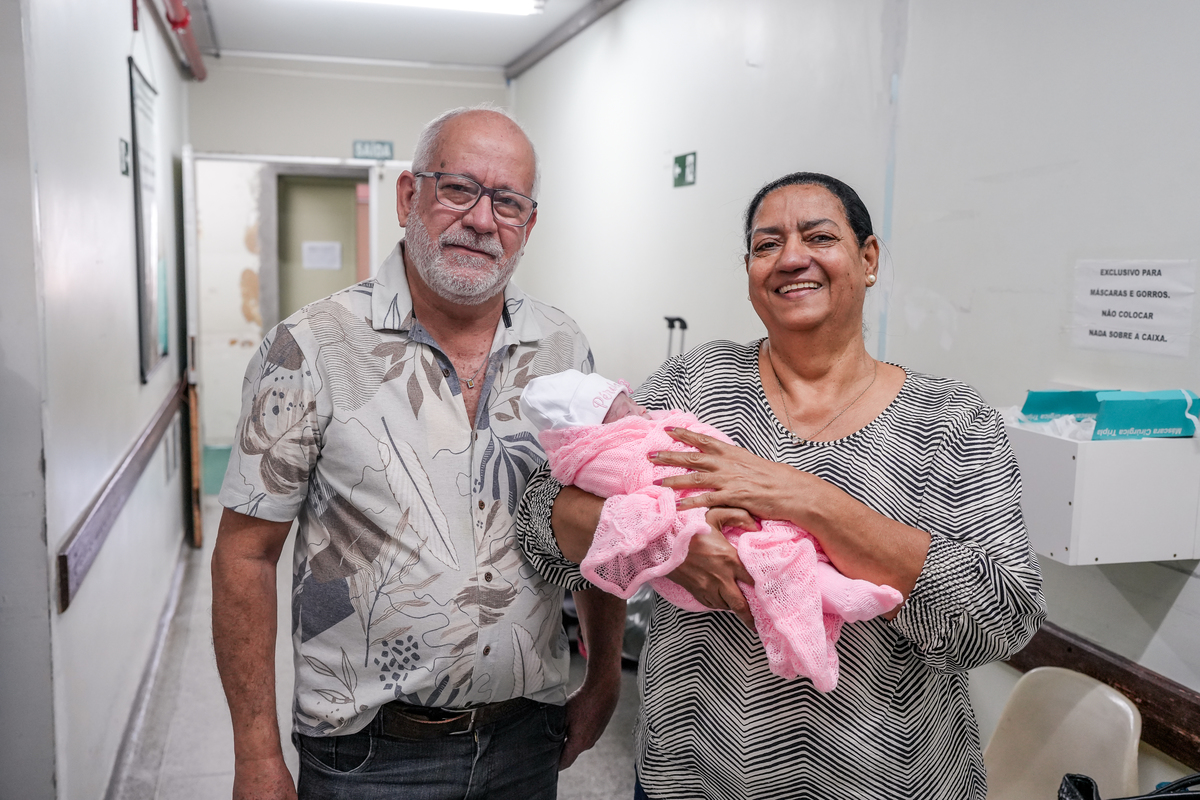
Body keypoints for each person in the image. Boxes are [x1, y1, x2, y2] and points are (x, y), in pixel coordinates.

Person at [517, 172, 1047, 799]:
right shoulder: (697, 383)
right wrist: (669, 547)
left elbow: (1003, 618)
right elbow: (542, 519)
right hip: (691, 776)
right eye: (767, 245)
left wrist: (806, 499)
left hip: (884, 780)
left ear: (868, 259)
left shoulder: (950, 420)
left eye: (819, 237)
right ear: (749, 272)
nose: (792, 258)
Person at [211, 106, 626, 800]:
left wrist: (605, 675)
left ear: (528, 225)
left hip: (527, 741)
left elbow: (597, 524)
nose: (482, 219)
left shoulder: (562, 349)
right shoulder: (310, 348)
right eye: (458, 188)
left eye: (508, 202)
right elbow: (245, 555)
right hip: (370, 756)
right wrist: (255, 754)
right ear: (409, 196)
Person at [519, 369, 902, 690]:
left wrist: (800, 496)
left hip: (866, 748)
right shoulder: (687, 377)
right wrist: (670, 543)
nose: (641, 411)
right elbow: (537, 513)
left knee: (785, 547)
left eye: (632, 404)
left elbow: (950, 613)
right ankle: (821, 618)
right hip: (684, 727)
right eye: (626, 411)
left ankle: (836, 598)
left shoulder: (938, 418)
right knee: (764, 565)